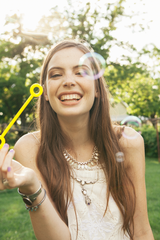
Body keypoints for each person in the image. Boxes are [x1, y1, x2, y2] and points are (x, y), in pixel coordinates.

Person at [0, 40, 154, 240]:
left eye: (80, 72)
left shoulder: (128, 143)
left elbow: (141, 232)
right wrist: (31, 186)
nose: (68, 81)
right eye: (56, 75)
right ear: (45, 92)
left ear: (97, 88)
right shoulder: (31, 148)